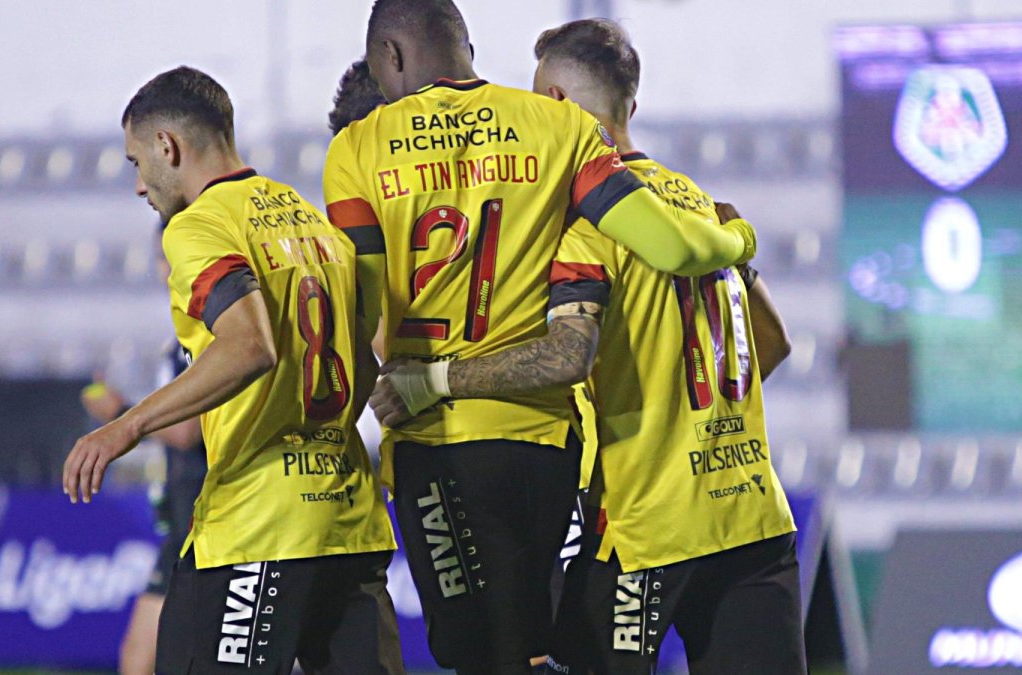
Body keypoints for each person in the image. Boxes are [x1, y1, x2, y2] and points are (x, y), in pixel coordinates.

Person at [323, 2, 758, 672]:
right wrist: (739, 238)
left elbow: (363, 315)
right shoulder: (559, 127)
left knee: (481, 655)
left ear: (391, 56)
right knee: (536, 644)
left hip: (438, 439)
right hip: (546, 440)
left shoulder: (357, 148)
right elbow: (671, 247)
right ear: (467, 44)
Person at [62, 66, 402, 674]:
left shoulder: (200, 225)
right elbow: (363, 361)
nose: (140, 186)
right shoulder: (312, 220)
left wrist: (124, 427)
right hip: (350, 522)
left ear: (168, 147)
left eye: (136, 163)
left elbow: (248, 346)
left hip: (258, 526)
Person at [80, 240, 208, 675]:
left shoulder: (206, 335)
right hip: (182, 522)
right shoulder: (180, 338)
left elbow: (189, 431)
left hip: (206, 521)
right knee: (138, 659)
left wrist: (120, 414)